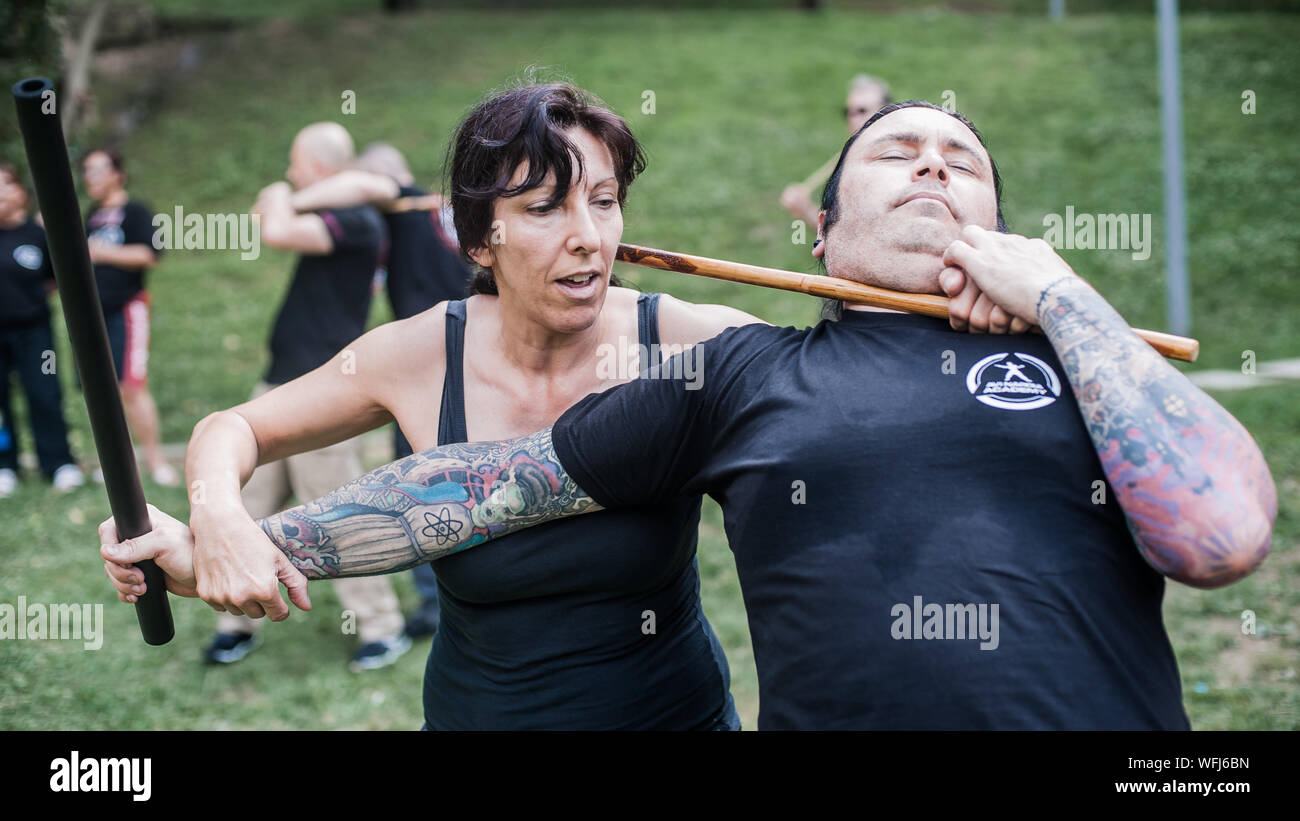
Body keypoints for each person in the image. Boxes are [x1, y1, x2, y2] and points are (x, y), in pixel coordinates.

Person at [106, 100, 1278, 730]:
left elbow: (1220, 536)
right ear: (820, 232)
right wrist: (229, 540)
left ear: (1003, 228)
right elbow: (468, 491)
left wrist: (1066, 304)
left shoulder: (1088, 359)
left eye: (962, 159)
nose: (932, 165)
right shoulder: (742, 372)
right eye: (895, 152)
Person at [106, 83, 768, 729]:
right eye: (545, 208)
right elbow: (235, 426)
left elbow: (831, 391)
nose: (589, 235)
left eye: (603, 201)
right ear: (479, 239)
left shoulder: (682, 341)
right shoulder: (421, 353)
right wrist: (217, 513)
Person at [198, 122, 410, 672]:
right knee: (244, 507)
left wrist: (278, 195)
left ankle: (381, 629)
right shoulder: (335, 210)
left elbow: (273, 229)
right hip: (278, 381)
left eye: (296, 163)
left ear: (319, 166)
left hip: (325, 392)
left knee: (339, 514)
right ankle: (235, 622)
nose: (290, 172)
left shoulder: (357, 221)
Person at [289, 141, 473, 639]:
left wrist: (289, 199)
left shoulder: (401, 199)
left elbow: (365, 184)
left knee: (420, 482)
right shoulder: (440, 214)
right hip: (455, 355)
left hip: (434, 363)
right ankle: (443, 601)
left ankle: (439, 605)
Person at [81, 148, 176, 486]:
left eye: (97, 170)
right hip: (92, 314)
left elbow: (149, 253)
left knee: (132, 387)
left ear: (117, 174)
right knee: (102, 389)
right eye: (86, 172)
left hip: (128, 308)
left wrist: (100, 252)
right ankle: (120, 464)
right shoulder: (91, 216)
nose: (89, 178)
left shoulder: (134, 211)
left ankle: (156, 460)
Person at [0, 163, 84, 498]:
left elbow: (55, 280)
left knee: (44, 393)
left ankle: (59, 462)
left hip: (35, 333)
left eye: (6, 184)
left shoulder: (38, 235)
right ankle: (5, 464)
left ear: (21, 191)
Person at [780, 73, 890, 229]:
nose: (853, 118)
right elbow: (845, 235)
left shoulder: (890, 162)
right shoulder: (854, 159)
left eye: (862, 110)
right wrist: (805, 210)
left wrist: (806, 210)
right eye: (848, 111)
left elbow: (857, 233)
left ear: (886, 111)